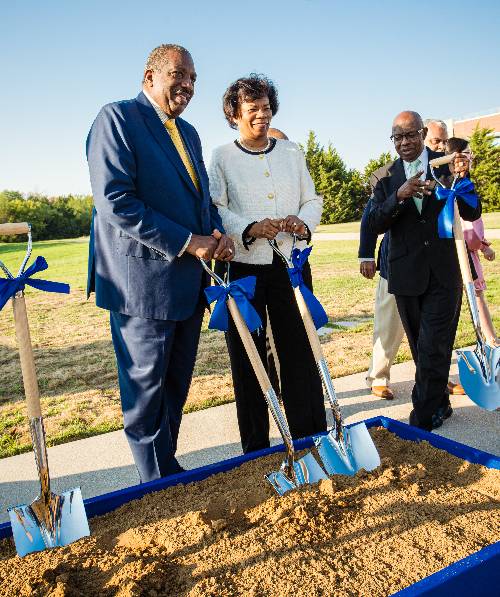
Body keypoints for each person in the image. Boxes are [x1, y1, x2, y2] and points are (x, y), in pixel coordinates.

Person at [86, 44, 234, 482]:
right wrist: (191, 241)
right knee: (146, 396)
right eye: (178, 75)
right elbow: (116, 201)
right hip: (141, 284)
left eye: (193, 79)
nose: (187, 85)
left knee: (173, 390)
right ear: (149, 76)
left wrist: (217, 231)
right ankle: (157, 490)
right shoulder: (116, 119)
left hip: (187, 285)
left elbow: (199, 198)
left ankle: (165, 471)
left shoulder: (188, 133)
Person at [209, 74, 327, 453]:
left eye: (265, 106)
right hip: (244, 270)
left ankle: (311, 438)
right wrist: (249, 227)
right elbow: (216, 208)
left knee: (300, 353)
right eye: (251, 109)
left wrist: (302, 222)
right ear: (234, 115)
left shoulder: (291, 152)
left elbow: (312, 198)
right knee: (249, 358)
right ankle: (256, 448)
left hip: (289, 267)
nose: (261, 114)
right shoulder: (222, 157)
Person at [368, 111, 480, 431]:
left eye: (409, 135)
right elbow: (375, 222)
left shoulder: (446, 165)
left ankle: (421, 420)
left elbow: (471, 211)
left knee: (434, 345)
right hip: (405, 275)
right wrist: (398, 197)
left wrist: (465, 177)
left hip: (445, 273)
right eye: (397, 137)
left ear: (422, 133)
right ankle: (440, 405)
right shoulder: (382, 177)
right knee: (422, 349)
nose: (403, 142)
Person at [446, 137, 498, 346]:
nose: (471, 156)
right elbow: (468, 229)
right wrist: (483, 246)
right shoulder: (455, 185)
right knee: (476, 295)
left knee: (473, 296)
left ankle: (491, 338)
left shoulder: (463, 183)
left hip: (466, 248)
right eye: (466, 153)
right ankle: (492, 339)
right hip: (462, 252)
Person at [359, 203, 404, 400]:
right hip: (395, 259)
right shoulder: (386, 173)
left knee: (434, 325)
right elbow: (371, 216)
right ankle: (378, 377)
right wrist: (367, 254)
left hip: (434, 259)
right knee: (389, 323)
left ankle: (437, 377)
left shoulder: (444, 173)